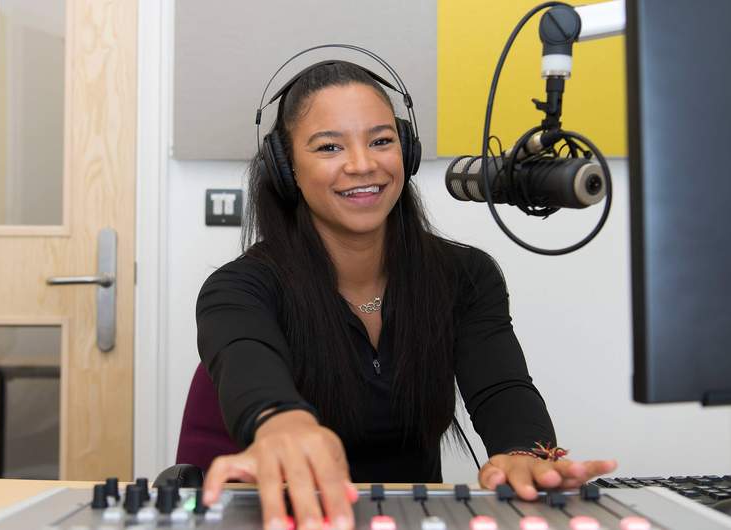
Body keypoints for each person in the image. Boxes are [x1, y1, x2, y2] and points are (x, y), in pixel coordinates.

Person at [196, 59, 616, 530]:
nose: (363, 165)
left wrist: (524, 456)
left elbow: (502, 390)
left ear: (407, 151)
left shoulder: (465, 277)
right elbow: (246, 360)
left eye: (381, 141)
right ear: (285, 165)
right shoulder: (238, 289)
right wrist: (282, 422)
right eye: (330, 146)